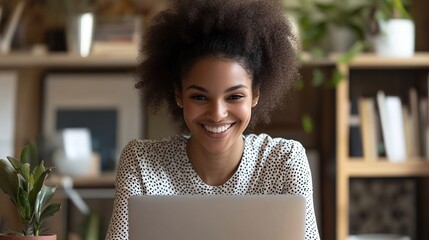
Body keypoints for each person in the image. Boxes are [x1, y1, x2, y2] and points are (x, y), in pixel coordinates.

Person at [105, 0, 320, 239]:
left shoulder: (284, 162)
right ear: (179, 94)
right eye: (199, 96)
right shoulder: (141, 164)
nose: (217, 114)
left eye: (234, 96)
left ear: (256, 94)